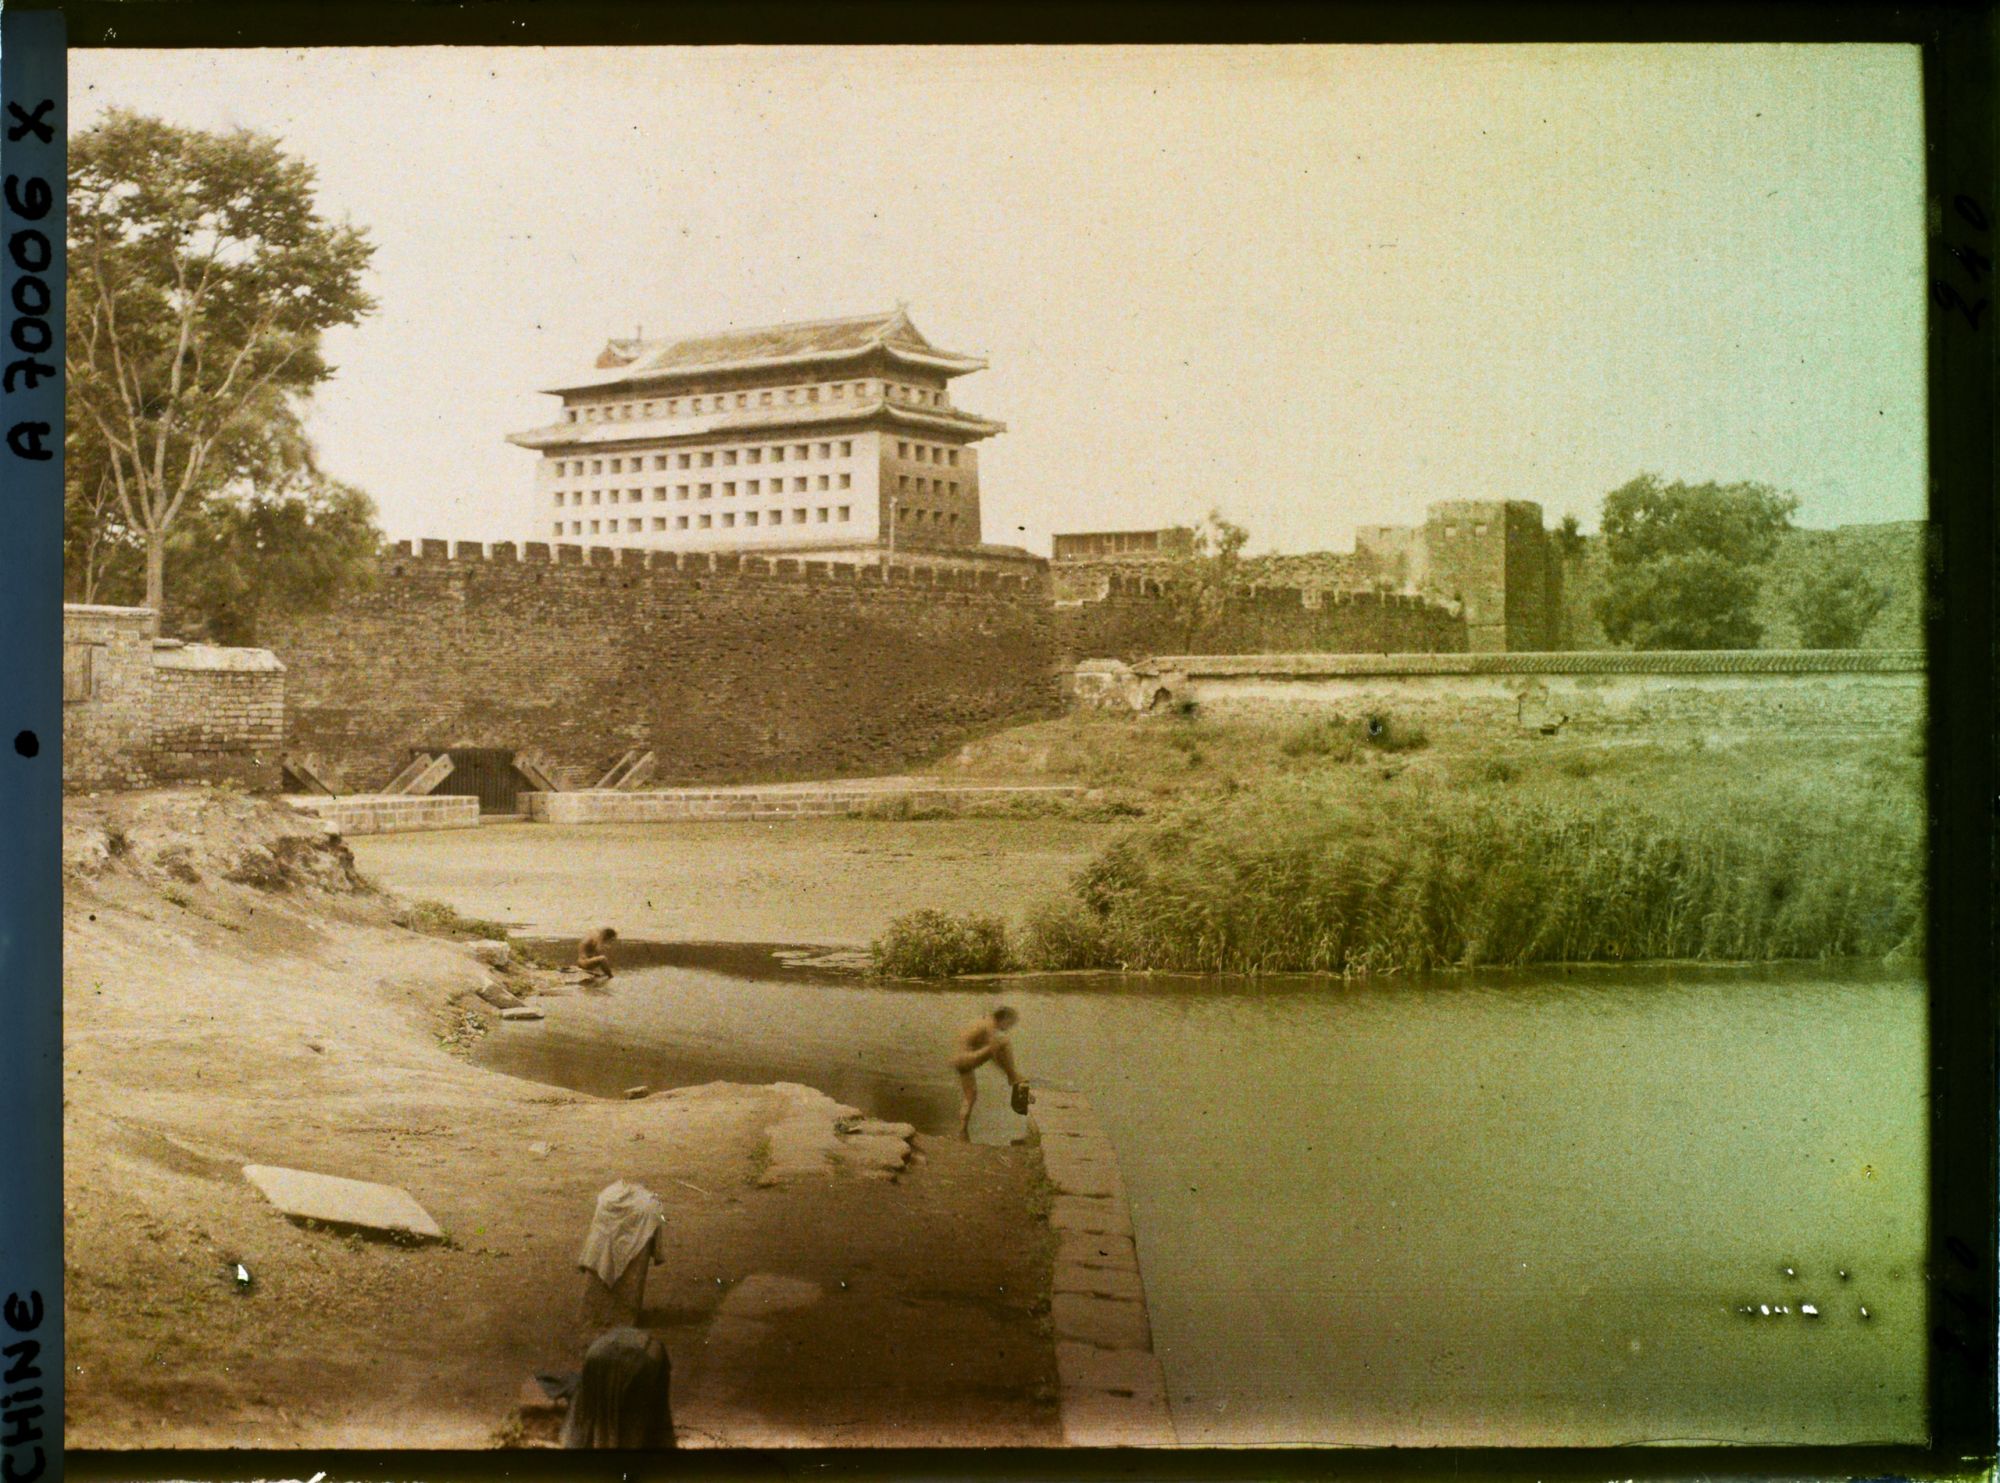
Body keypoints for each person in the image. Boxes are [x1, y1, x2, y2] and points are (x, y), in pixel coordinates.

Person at [950, 1006, 1025, 1140]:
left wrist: (1005, 1071)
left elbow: (992, 1055)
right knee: (1004, 1041)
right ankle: (1013, 1077)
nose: (1008, 1028)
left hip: (959, 1060)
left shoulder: (982, 1022)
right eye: (1009, 1024)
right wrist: (1010, 1073)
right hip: (966, 1058)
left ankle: (962, 1131)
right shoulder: (990, 1023)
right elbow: (995, 1051)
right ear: (1004, 1018)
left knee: (970, 1096)